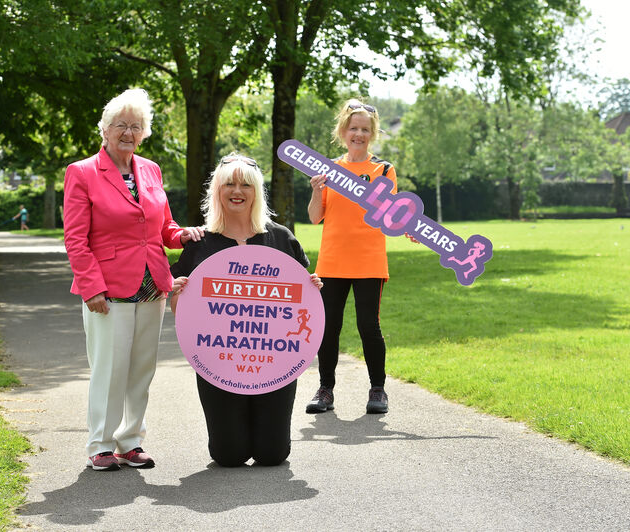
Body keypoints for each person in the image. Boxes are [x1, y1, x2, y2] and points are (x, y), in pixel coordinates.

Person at [63, 88, 203, 471]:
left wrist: (182, 235)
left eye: (135, 126)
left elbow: (163, 227)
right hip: (106, 288)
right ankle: (100, 445)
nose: (128, 132)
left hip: (152, 285)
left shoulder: (151, 170)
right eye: (120, 125)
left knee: (142, 367)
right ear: (105, 130)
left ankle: (130, 441)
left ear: (144, 133)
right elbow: (75, 238)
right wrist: (90, 287)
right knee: (109, 368)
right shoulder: (82, 172)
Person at [170, 153, 322, 467]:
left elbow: (300, 299)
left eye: (245, 185)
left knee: (272, 454)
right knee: (229, 455)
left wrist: (313, 287)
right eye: (229, 184)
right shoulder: (199, 242)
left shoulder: (280, 238)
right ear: (217, 191)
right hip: (218, 362)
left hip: (274, 360)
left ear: (256, 192)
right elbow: (180, 312)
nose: (237, 191)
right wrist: (176, 293)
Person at [305, 99, 404, 416]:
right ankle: (325, 390)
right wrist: (316, 190)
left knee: (368, 326)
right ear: (343, 131)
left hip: (369, 261)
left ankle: (378, 389)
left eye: (364, 129)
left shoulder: (383, 170)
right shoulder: (328, 170)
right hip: (332, 261)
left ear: (371, 134)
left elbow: (392, 217)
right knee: (328, 327)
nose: (358, 134)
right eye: (353, 128)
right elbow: (314, 217)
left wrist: (409, 227)